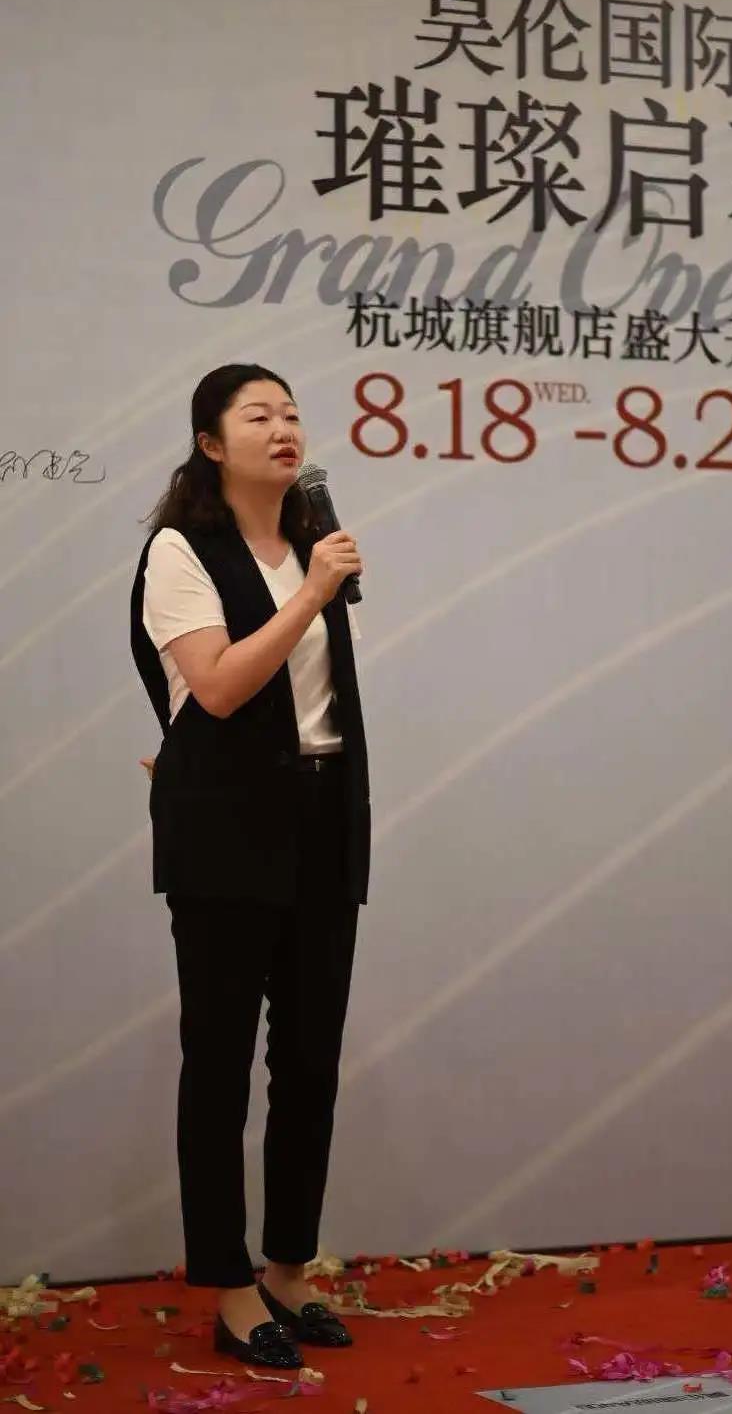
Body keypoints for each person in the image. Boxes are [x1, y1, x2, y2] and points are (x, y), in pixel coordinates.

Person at [129, 363, 371, 1371]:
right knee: (221, 1063)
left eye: (293, 414)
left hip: (323, 817)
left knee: (310, 1060)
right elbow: (220, 688)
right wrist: (313, 594)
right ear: (210, 444)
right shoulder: (180, 550)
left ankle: (288, 1269)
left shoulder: (313, 542)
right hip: (225, 829)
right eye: (258, 415)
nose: (284, 428)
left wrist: (316, 580)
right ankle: (229, 1288)